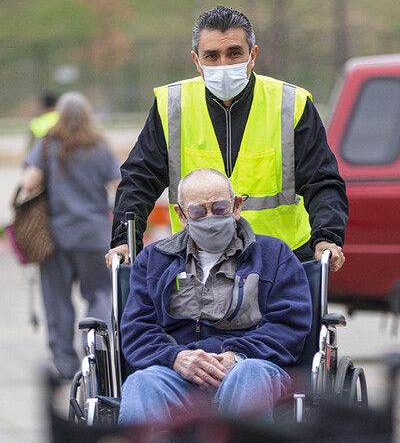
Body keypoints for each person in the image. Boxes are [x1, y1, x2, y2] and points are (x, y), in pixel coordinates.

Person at [107, 5, 348, 272]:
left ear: (252, 55)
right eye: (212, 56)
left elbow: (322, 181)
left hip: (281, 264)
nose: (223, 64)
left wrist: (327, 237)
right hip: (197, 265)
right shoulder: (172, 106)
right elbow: (139, 179)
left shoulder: (291, 105)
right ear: (196, 61)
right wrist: (125, 242)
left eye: (234, 53)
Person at [118, 169, 312, 424]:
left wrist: (238, 355)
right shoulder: (154, 261)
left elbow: (288, 323)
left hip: (252, 369)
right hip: (179, 375)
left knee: (248, 374)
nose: (209, 218)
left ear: (236, 206)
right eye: (198, 211)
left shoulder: (273, 255)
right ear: (181, 215)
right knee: (141, 383)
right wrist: (176, 358)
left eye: (220, 208)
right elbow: (137, 329)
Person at [19, 92, 121, 382]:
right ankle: (96, 351)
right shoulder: (100, 147)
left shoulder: (48, 144)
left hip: (56, 237)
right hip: (95, 236)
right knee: (101, 292)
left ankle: (65, 362)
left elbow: (29, 183)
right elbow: (119, 184)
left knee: (57, 299)